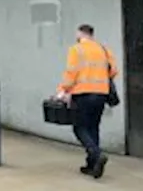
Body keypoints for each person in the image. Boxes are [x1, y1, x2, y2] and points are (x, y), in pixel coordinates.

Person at [51, 23, 118, 179]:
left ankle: (96, 154)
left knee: (79, 127)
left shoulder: (77, 49)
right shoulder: (103, 49)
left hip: (82, 93)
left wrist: (63, 90)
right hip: (101, 93)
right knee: (93, 127)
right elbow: (113, 70)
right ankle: (92, 165)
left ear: (80, 33)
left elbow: (71, 72)